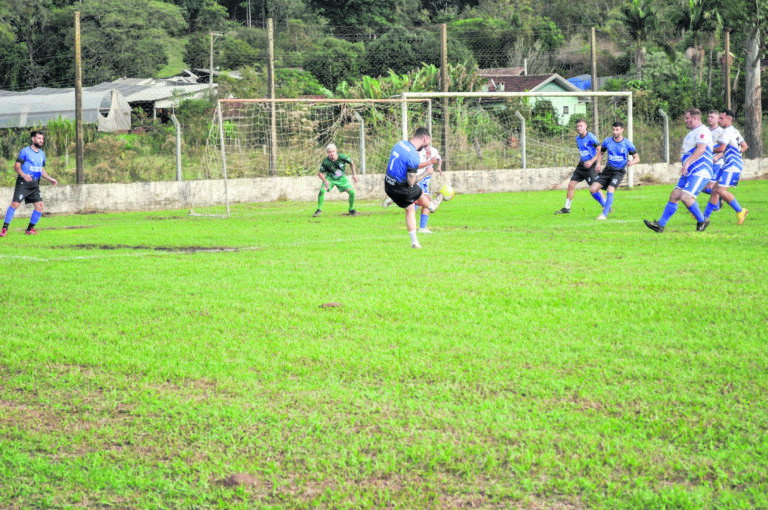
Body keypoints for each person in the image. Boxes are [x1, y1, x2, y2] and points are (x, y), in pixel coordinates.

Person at [644, 108, 714, 233]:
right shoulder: (693, 132)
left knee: (686, 197)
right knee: (675, 195)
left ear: (695, 118)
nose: (685, 121)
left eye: (687, 118)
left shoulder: (702, 131)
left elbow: (701, 149)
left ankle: (702, 220)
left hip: (700, 170)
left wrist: (687, 162)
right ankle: (660, 225)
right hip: (690, 171)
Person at [384, 127, 443, 248]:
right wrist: (426, 173)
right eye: (428, 142)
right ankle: (432, 207)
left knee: (410, 208)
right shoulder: (413, 155)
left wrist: (428, 163)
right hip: (401, 188)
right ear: (425, 139)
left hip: (388, 184)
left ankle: (414, 242)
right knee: (419, 193)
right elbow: (411, 182)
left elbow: (409, 164)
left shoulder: (400, 144)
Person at [1, 130, 57, 237]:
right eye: (39, 138)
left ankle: (29, 229)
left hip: (34, 184)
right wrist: (24, 175)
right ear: (33, 139)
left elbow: (41, 169)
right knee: (15, 204)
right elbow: (16, 167)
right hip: (23, 183)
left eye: (42, 139)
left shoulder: (42, 154)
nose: (41, 141)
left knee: (40, 206)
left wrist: (49, 178)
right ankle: (4, 228)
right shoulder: (25, 151)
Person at [702, 109, 749, 225]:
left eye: (721, 118)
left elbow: (721, 148)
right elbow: (744, 146)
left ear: (729, 119)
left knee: (720, 190)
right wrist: (737, 154)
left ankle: (740, 210)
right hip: (729, 164)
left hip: (732, 166)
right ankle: (704, 217)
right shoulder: (734, 130)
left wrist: (706, 150)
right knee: (714, 190)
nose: (719, 120)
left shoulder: (727, 132)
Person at [555, 118, 606, 214]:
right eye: (577, 126)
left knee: (594, 187)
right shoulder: (578, 139)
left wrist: (592, 162)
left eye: (581, 126)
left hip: (591, 166)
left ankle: (606, 205)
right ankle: (567, 208)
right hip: (581, 165)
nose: (579, 128)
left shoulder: (591, 137)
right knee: (571, 184)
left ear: (586, 126)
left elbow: (600, 150)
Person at [591, 121, 638, 220]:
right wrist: (598, 164)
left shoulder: (628, 144)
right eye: (613, 129)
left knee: (610, 189)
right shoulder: (607, 141)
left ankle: (604, 214)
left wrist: (631, 162)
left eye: (617, 130)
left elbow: (637, 158)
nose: (615, 132)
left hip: (618, 172)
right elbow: (601, 153)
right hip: (607, 170)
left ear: (622, 130)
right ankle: (606, 205)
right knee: (593, 189)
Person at [312, 143, 359, 217]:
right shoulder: (325, 161)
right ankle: (319, 209)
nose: (332, 153)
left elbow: (352, 163)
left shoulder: (342, 157)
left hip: (341, 178)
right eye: (329, 152)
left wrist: (354, 174)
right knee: (322, 190)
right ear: (327, 153)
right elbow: (320, 173)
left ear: (336, 151)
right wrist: (325, 181)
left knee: (352, 192)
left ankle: (351, 209)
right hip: (330, 178)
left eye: (333, 151)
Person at [703, 110, 723, 197]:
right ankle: (721, 196)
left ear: (718, 119)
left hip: (716, 163)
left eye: (712, 117)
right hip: (706, 162)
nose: (709, 118)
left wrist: (717, 157)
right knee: (702, 185)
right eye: (708, 116)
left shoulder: (721, 132)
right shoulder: (705, 130)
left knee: (710, 186)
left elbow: (725, 148)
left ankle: (721, 197)